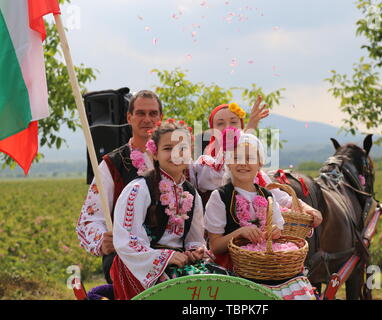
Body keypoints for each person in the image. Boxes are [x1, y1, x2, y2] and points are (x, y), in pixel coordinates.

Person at [109, 120, 225, 300]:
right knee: (183, 293)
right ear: (154, 153)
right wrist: (164, 258)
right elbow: (126, 241)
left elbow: (194, 238)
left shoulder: (191, 193)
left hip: (178, 263)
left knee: (221, 283)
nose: (176, 154)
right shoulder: (139, 189)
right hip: (141, 266)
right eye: (168, 148)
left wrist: (195, 251)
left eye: (182, 148)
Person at [76, 90, 163, 283]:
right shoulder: (111, 165)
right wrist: (102, 240)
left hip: (168, 251)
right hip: (126, 256)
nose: (147, 119)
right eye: (140, 113)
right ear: (129, 117)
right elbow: (89, 220)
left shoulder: (175, 160)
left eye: (152, 113)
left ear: (160, 118)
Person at [194, 100, 323, 228]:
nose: (228, 128)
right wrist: (249, 128)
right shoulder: (204, 165)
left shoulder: (254, 172)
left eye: (233, 122)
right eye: (220, 123)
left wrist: (307, 208)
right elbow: (223, 165)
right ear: (212, 131)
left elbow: (281, 198)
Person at [204, 131, 285, 270]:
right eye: (236, 158)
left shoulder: (267, 195)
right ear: (228, 162)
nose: (243, 163)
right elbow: (215, 246)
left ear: (260, 163)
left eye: (250, 158)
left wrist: (274, 231)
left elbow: (278, 228)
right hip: (233, 264)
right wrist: (239, 233)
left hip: (265, 262)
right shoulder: (220, 197)